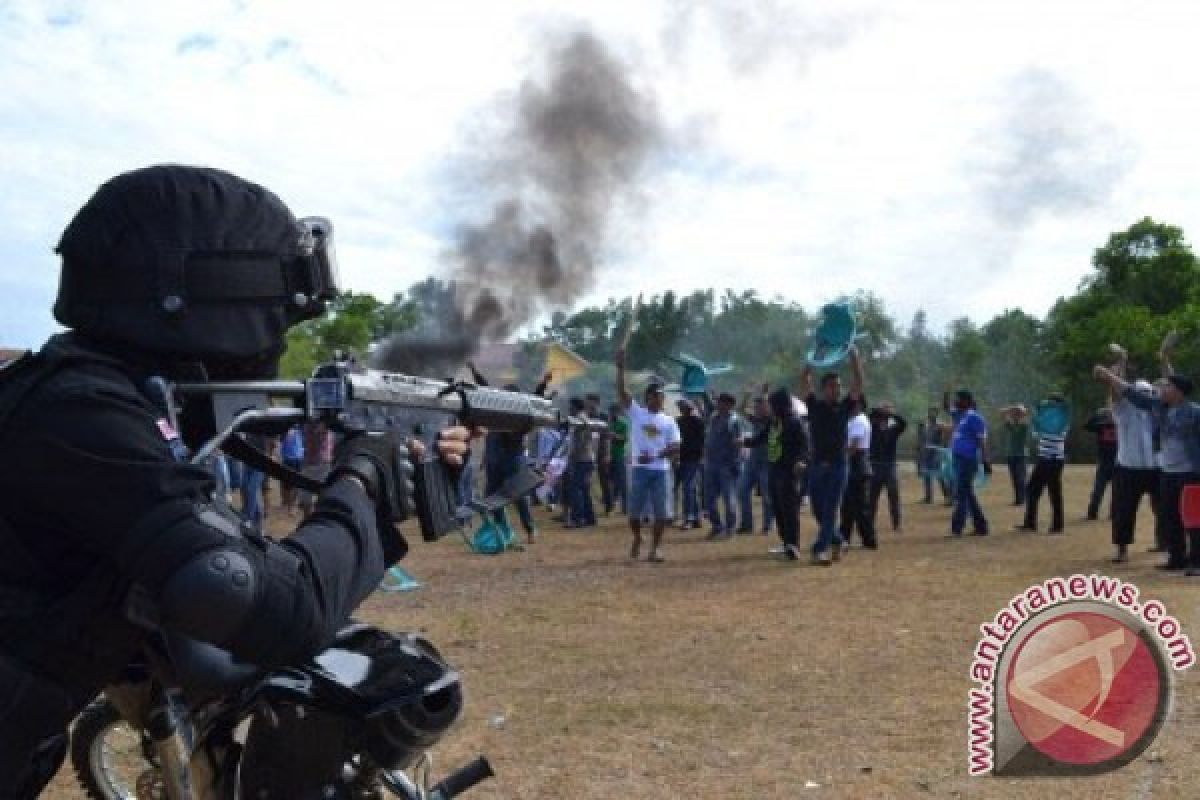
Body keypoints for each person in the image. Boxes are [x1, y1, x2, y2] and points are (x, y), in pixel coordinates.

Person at [0, 165, 471, 795]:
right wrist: (363, 473)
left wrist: (394, 457)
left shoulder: (95, 395)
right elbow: (272, 602)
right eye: (276, 316)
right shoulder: (82, 414)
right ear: (204, 304)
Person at [1095, 352, 1200, 573]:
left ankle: (1196, 562)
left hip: (1189, 473)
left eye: (1167, 388)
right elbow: (1129, 394)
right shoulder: (1159, 408)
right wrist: (1109, 377)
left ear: (1178, 393)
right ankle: (1177, 558)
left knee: (1191, 519)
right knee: (1170, 517)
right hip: (1168, 473)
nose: (1162, 390)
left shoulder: (1194, 413)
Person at [467, 362, 550, 542]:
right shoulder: (495, 409)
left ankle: (529, 530)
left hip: (512, 458)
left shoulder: (521, 415)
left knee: (519, 495)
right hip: (494, 459)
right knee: (492, 497)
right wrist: (475, 371)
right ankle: (502, 531)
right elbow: (484, 389)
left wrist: (543, 384)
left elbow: (536, 400)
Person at [799, 345, 865, 565]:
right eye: (832, 386)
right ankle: (838, 540)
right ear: (823, 389)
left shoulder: (845, 407)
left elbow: (858, 383)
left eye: (838, 386)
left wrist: (854, 356)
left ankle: (819, 549)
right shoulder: (814, 406)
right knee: (818, 510)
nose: (837, 389)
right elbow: (805, 379)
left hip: (839, 465)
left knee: (830, 510)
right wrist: (813, 358)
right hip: (817, 465)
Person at [1094, 346, 1160, 562]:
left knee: (1163, 508)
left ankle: (1164, 541)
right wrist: (1121, 361)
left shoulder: (1156, 411)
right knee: (1124, 511)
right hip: (1128, 467)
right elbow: (1115, 389)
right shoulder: (1123, 409)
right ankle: (1122, 549)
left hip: (1154, 467)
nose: (1146, 396)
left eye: (1149, 393)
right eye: (1142, 393)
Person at [616, 348, 681, 563]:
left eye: (662, 396)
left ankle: (656, 548)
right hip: (639, 469)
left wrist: (655, 456)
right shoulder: (637, 413)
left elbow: (675, 446)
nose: (661, 399)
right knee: (634, 513)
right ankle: (637, 537)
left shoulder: (669, 421)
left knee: (661, 513)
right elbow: (622, 393)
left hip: (660, 471)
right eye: (657, 395)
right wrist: (620, 368)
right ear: (648, 397)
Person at [743, 388, 810, 560]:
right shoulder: (774, 422)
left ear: (781, 405)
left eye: (772, 405)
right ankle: (785, 542)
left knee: (789, 510)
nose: (770, 408)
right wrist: (744, 442)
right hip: (774, 468)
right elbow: (761, 438)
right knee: (777, 508)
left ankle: (793, 546)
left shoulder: (795, 422)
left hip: (789, 470)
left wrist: (802, 461)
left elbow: (805, 445)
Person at [1016, 394, 1070, 534]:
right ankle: (1037, 523)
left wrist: (1032, 418)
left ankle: (1036, 524)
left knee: (1043, 491)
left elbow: (1038, 434)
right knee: (1045, 491)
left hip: (1049, 459)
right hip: (1052, 459)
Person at [944, 389, 992, 537]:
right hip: (959, 458)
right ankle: (981, 526)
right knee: (967, 493)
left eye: (958, 399)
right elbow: (946, 407)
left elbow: (982, 441)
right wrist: (945, 392)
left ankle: (957, 527)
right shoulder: (960, 415)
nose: (955, 401)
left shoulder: (976, 418)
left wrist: (985, 461)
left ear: (966, 401)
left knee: (962, 493)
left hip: (968, 460)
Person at [703, 392, 745, 540]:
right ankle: (717, 526)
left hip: (727, 465)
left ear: (729, 405)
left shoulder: (734, 421)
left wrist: (736, 463)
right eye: (718, 402)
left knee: (729, 499)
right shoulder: (714, 418)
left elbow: (739, 443)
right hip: (711, 464)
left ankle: (730, 528)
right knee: (709, 499)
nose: (718, 404)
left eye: (721, 402)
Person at [840, 396, 877, 549]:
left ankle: (869, 539)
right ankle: (844, 537)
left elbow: (853, 447)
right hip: (857, 464)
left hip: (857, 465)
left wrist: (840, 458)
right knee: (847, 506)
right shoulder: (854, 420)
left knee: (860, 507)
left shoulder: (859, 421)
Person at [738, 390, 775, 534]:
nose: (757, 409)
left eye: (760, 406)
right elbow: (740, 409)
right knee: (742, 490)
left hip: (767, 462)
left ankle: (768, 526)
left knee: (767, 496)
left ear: (767, 407)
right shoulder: (755, 419)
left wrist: (765, 395)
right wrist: (747, 394)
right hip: (752, 461)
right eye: (756, 407)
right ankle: (747, 525)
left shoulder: (772, 421)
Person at [867, 402, 907, 533]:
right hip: (875, 466)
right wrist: (879, 410)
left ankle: (897, 524)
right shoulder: (872, 427)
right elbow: (869, 416)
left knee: (894, 496)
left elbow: (903, 423)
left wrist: (891, 413)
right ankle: (869, 524)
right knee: (872, 498)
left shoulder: (893, 429)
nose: (883, 418)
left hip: (889, 466)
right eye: (882, 415)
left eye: (886, 416)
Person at [564, 396, 598, 528]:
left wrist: (571, 458)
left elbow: (580, 442)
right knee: (584, 489)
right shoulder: (583, 418)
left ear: (575, 407)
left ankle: (578, 519)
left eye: (570, 406)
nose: (569, 409)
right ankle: (590, 518)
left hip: (581, 459)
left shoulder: (580, 419)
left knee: (576, 489)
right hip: (586, 458)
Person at [674, 398, 705, 529]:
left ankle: (689, 518)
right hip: (679, 459)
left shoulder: (698, 422)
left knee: (688, 488)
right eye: (680, 407)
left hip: (693, 459)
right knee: (688, 489)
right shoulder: (678, 421)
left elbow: (704, 440)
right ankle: (696, 517)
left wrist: (702, 457)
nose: (682, 409)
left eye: (684, 407)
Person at [1084, 407, 1118, 520]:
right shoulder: (1101, 425)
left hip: (1117, 464)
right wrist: (1097, 414)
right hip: (1104, 464)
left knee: (1116, 493)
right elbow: (1087, 426)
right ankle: (1092, 513)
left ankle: (1114, 514)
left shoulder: (1120, 425)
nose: (1110, 416)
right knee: (1098, 491)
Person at [916, 407, 951, 505]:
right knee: (926, 475)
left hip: (935, 453)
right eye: (930, 412)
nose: (931, 414)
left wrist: (943, 446)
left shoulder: (939, 425)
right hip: (926, 453)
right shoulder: (925, 425)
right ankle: (928, 497)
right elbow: (921, 439)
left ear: (937, 414)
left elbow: (948, 431)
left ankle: (948, 496)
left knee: (939, 475)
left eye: (934, 413)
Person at [998, 405, 1030, 506]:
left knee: (1021, 478)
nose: (1016, 415)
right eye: (1015, 413)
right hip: (1011, 455)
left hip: (1021, 455)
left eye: (1018, 413)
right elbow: (1001, 412)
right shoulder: (1011, 425)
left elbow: (1025, 415)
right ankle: (1018, 499)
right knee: (1015, 478)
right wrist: (1012, 408)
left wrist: (1019, 410)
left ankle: (1022, 499)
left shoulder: (1024, 425)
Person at [608, 402, 629, 515]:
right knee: (611, 481)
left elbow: (625, 438)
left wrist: (614, 436)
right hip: (609, 456)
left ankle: (625, 507)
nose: (611, 414)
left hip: (620, 455)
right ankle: (612, 504)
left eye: (613, 412)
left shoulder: (623, 424)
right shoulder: (608, 424)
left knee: (622, 482)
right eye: (611, 412)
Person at [280, 425, 305, 515]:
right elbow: (280, 438)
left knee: (297, 483)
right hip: (286, 458)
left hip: (299, 458)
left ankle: (292, 506)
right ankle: (286, 503)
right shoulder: (284, 425)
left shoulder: (302, 425)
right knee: (285, 483)